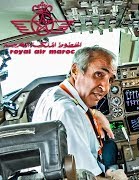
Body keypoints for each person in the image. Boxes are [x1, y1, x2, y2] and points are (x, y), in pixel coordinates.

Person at [32, 46, 128, 179]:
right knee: (112, 146)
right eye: (99, 74)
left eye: (110, 80)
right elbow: (84, 178)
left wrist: (95, 113)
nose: (105, 88)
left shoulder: (52, 93)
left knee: (109, 144)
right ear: (75, 70)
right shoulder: (70, 113)